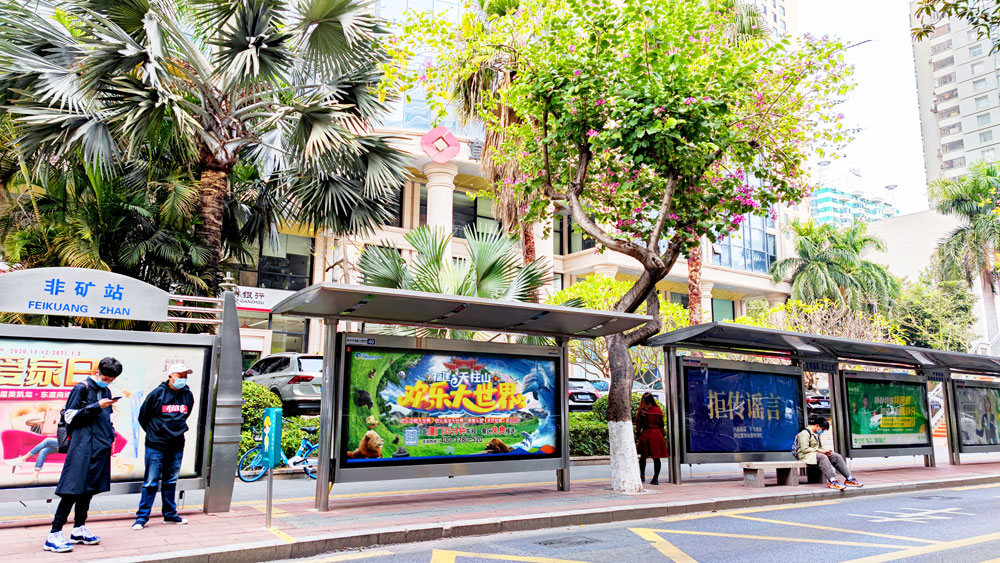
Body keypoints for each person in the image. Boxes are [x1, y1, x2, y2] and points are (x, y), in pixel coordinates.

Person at [44, 357, 122, 553]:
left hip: (100, 446)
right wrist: (96, 406)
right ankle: (54, 533)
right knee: (72, 489)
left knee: (88, 490)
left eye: (111, 379)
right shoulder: (81, 388)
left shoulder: (106, 391)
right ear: (97, 372)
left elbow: (108, 417)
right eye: (105, 378)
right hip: (82, 446)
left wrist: (110, 435)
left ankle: (79, 528)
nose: (107, 381)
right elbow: (69, 416)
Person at [132, 364, 195, 530]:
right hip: (156, 445)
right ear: (170, 377)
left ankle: (170, 514)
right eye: (180, 376)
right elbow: (143, 416)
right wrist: (155, 433)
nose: (183, 379)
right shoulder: (157, 394)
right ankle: (142, 517)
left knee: (171, 481)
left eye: (185, 376)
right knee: (150, 482)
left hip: (177, 445)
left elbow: (186, 414)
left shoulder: (188, 394)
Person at [795, 415, 863, 490]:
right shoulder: (805, 433)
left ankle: (849, 479)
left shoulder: (817, 433)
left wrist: (826, 451)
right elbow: (804, 449)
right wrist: (819, 451)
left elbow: (820, 446)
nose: (822, 431)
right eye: (822, 429)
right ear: (817, 426)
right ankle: (832, 480)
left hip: (814, 453)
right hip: (805, 455)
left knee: (836, 456)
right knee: (823, 457)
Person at [636, 393, 668, 486]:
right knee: (656, 458)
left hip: (646, 434)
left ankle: (642, 476)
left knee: (643, 457)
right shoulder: (658, 410)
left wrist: (638, 435)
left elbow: (638, 426)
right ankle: (655, 478)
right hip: (657, 434)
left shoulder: (642, 411)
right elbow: (661, 425)